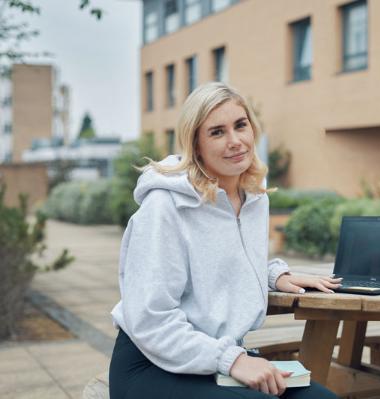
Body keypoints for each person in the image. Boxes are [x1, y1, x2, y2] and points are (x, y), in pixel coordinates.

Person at [109, 82, 341, 399]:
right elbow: (151, 318)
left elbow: (224, 258)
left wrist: (273, 275)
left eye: (240, 125)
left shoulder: (255, 199)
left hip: (218, 359)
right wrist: (232, 360)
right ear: (196, 145)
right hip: (152, 365)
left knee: (321, 398)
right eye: (217, 132)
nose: (235, 141)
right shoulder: (165, 207)